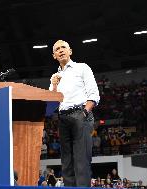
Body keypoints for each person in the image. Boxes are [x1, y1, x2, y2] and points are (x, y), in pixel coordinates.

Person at [49, 40, 100, 187]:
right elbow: (51, 104)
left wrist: (84, 112)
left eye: (63, 47)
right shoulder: (54, 77)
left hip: (80, 115)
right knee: (66, 162)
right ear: (54, 56)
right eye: (57, 49)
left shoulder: (82, 68)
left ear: (70, 51)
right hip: (62, 118)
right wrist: (54, 85)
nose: (60, 50)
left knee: (81, 161)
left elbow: (94, 94)